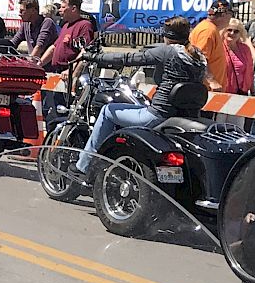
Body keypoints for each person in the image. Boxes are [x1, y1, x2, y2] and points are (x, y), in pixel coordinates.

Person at [74, 17, 209, 173]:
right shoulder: (198, 55)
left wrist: (94, 57)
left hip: (159, 115)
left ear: (166, 35)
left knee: (107, 111)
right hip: (187, 116)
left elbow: (128, 59)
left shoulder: (166, 51)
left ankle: (83, 165)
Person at [189, 0, 235, 92]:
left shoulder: (211, 29)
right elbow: (199, 59)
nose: (230, 20)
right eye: (230, 15)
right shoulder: (208, 31)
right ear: (224, 15)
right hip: (206, 91)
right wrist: (211, 81)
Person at [226, 23, 255, 95]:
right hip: (224, 90)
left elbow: (250, 71)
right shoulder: (220, 48)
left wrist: (253, 91)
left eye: (236, 31)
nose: (232, 33)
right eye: (229, 30)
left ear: (240, 34)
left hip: (242, 90)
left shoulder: (245, 49)